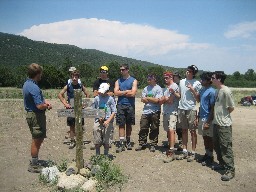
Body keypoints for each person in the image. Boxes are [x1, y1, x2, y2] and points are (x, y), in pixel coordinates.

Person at [23, 63, 52, 173]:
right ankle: (34, 165)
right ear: (38, 73)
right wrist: (47, 106)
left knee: (37, 138)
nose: (41, 75)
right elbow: (39, 106)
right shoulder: (34, 87)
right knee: (37, 139)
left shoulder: (27, 84)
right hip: (35, 115)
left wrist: (44, 102)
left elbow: (39, 101)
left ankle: (35, 160)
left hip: (32, 114)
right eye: (41, 73)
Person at [211, 71, 235, 181]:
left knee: (226, 147)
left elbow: (231, 108)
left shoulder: (226, 91)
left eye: (213, 77)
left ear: (219, 79)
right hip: (216, 123)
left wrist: (223, 117)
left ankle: (230, 170)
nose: (211, 79)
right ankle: (222, 164)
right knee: (216, 145)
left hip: (224, 124)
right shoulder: (217, 91)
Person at [58, 70, 90, 149]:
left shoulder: (81, 85)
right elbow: (60, 94)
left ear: (78, 78)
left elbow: (88, 94)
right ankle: (72, 141)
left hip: (79, 108)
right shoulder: (68, 86)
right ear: (71, 78)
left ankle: (80, 141)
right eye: (73, 77)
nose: (74, 78)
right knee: (71, 126)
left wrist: (84, 104)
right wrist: (65, 104)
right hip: (71, 108)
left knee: (80, 125)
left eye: (76, 77)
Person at [176, 65, 202, 162]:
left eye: (190, 71)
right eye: (187, 70)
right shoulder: (182, 81)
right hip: (181, 108)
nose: (188, 72)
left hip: (191, 109)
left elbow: (198, 99)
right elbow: (180, 94)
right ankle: (185, 151)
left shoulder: (197, 83)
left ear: (193, 73)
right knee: (183, 130)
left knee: (193, 131)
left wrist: (192, 90)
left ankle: (193, 152)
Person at [135, 74, 163, 152]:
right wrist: (151, 99)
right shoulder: (145, 88)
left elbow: (157, 101)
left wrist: (147, 98)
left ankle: (153, 144)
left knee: (154, 128)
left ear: (154, 79)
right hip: (146, 111)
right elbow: (142, 100)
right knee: (143, 127)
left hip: (155, 111)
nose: (148, 79)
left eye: (150, 78)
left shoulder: (158, 88)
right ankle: (142, 143)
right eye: (148, 78)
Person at [90, 65, 115, 150]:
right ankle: (98, 142)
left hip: (108, 108)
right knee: (97, 126)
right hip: (99, 107)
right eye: (101, 72)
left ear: (107, 73)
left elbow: (112, 93)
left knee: (108, 126)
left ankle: (107, 142)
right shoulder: (97, 82)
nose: (103, 73)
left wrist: (102, 93)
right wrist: (105, 92)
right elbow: (94, 93)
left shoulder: (111, 81)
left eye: (104, 72)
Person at [114, 63, 138, 153]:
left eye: (123, 69)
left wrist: (121, 92)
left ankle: (128, 141)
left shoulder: (133, 80)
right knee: (121, 124)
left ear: (127, 70)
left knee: (129, 124)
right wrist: (126, 91)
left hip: (130, 105)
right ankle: (121, 143)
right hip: (120, 104)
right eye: (120, 70)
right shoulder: (118, 81)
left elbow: (133, 93)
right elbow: (115, 92)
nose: (121, 71)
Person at [160, 72, 180, 162]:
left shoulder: (174, 86)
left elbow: (170, 100)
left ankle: (171, 151)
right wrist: (164, 99)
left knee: (171, 130)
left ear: (171, 77)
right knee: (168, 130)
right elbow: (161, 100)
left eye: (167, 78)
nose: (165, 79)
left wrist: (164, 99)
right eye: (164, 78)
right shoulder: (166, 88)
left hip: (172, 111)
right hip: (166, 111)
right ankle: (170, 146)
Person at [197, 72, 215, 166]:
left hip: (208, 118)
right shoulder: (202, 89)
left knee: (209, 137)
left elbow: (213, 107)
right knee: (204, 137)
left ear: (208, 81)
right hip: (202, 117)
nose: (201, 81)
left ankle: (210, 156)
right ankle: (207, 154)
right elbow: (200, 103)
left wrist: (208, 121)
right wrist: (198, 116)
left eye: (203, 79)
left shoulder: (212, 91)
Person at [93, 83, 116, 156]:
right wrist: (98, 117)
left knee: (107, 139)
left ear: (107, 91)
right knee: (97, 137)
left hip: (108, 120)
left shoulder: (111, 99)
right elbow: (94, 109)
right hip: (98, 120)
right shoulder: (97, 98)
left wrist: (108, 120)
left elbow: (114, 111)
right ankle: (97, 155)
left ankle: (106, 154)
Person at [173, 71, 183, 148]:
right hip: (172, 108)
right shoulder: (172, 84)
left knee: (179, 126)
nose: (174, 77)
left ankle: (181, 142)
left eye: (175, 76)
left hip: (180, 108)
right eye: (173, 76)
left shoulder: (181, 84)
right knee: (171, 126)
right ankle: (171, 142)